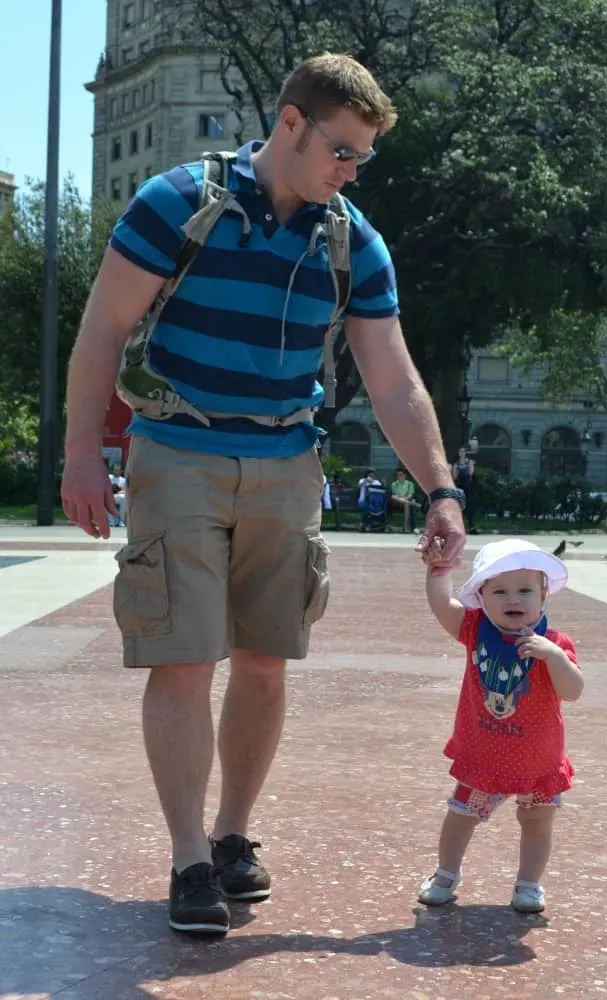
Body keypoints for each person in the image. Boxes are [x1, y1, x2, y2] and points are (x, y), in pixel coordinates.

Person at [61, 52, 466, 937]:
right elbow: (103, 328)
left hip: (287, 462)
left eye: (363, 157)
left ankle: (233, 834)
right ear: (290, 124)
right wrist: (83, 456)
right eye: (342, 150)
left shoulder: (350, 238)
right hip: (177, 449)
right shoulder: (176, 203)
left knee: (264, 659)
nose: (352, 171)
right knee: (181, 656)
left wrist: (438, 488)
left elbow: (392, 380)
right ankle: (187, 859)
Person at [418, 538, 583, 913]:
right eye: (500, 591)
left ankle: (528, 885)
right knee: (460, 817)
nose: (514, 599)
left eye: (525, 590)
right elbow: (441, 605)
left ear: (543, 595)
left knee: (537, 821)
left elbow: (573, 691)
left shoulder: (554, 642)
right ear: (481, 597)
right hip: (484, 758)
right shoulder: (475, 630)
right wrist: (438, 569)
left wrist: (554, 656)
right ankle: (445, 874)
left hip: (537, 762)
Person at [452, 446, 476, 532]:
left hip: (467, 485)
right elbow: (454, 476)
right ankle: (458, 525)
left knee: (469, 505)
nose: (461, 453)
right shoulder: (456, 463)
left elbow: (471, 473)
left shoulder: (469, 462)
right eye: (460, 451)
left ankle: (471, 525)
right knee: (459, 505)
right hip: (459, 485)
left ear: (465, 453)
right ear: (458, 453)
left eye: (463, 451)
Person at [391, 467, 418, 532]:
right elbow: (395, 494)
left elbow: (410, 495)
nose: (398, 476)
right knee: (393, 496)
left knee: (406, 503)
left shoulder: (409, 484)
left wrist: (404, 499)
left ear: (404, 475)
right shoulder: (394, 484)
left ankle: (405, 526)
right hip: (397, 502)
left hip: (406, 502)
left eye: (400, 474)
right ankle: (407, 526)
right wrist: (401, 499)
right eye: (397, 475)